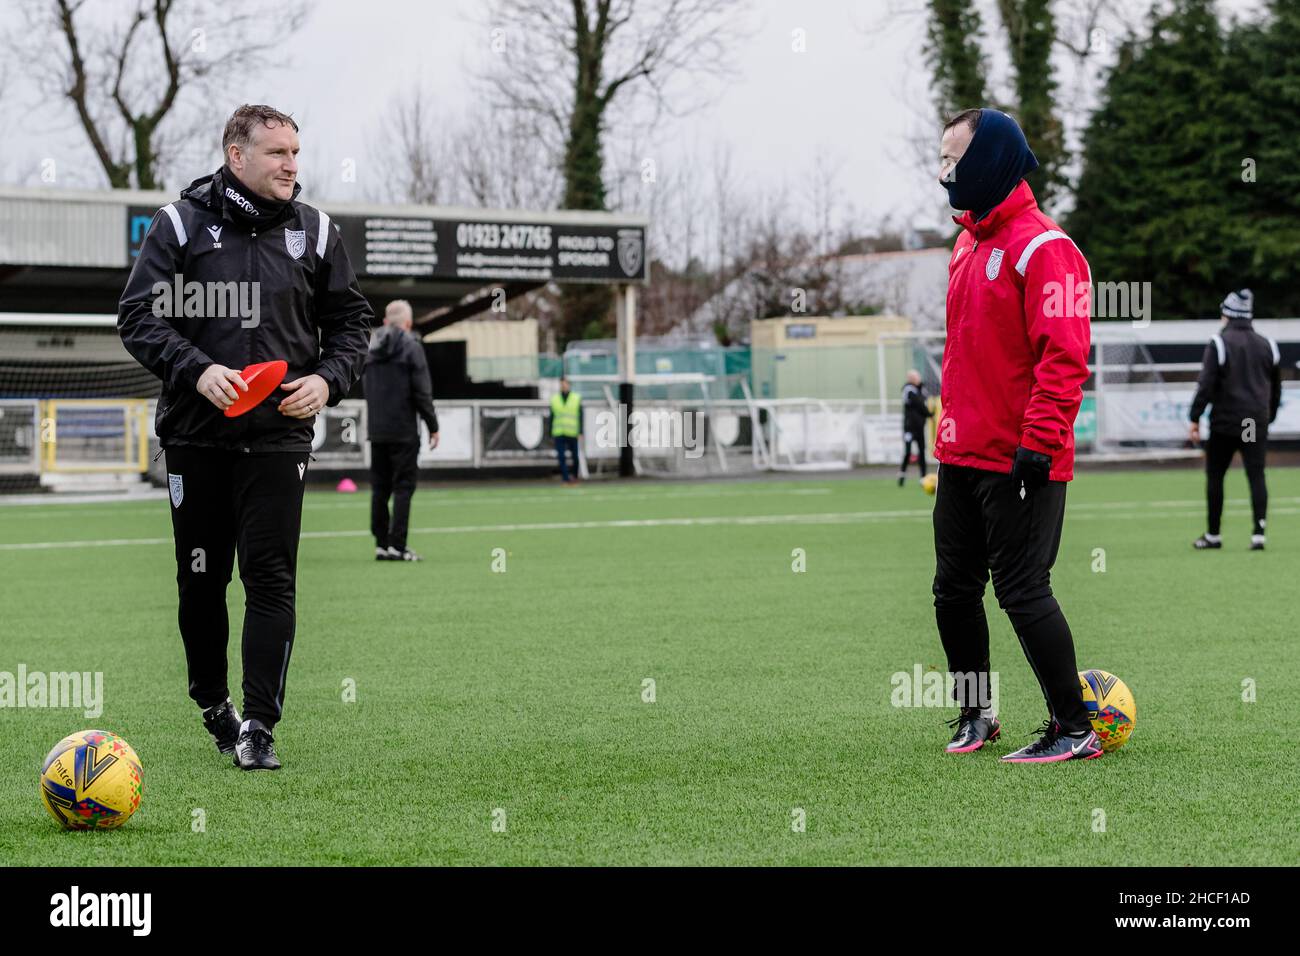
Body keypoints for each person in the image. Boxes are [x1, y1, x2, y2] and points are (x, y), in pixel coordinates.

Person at [117, 104, 372, 771]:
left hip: (279, 442)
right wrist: (198, 372)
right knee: (201, 583)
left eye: (297, 152)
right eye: (278, 153)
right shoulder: (179, 225)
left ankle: (259, 724)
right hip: (197, 439)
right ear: (237, 156)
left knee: (271, 578)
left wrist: (327, 381)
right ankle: (212, 703)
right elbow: (138, 316)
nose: (293, 165)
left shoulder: (315, 233)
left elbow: (351, 326)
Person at [931, 108, 1102, 763]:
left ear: (992, 161)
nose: (944, 172)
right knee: (952, 589)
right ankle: (977, 714)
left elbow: (1064, 356)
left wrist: (1039, 443)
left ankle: (1074, 726)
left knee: (1023, 590)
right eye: (942, 159)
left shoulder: (1046, 248)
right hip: (960, 453)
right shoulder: (967, 243)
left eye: (954, 159)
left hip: (1022, 460)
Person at [1189, 290, 1282, 551]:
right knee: (1256, 473)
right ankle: (1258, 533)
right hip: (1253, 423)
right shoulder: (1267, 344)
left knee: (1216, 474)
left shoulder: (1218, 343)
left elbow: (1205, 385)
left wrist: (1194, 417)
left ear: (1228, 314)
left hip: (1226, 422)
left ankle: (1214, 535)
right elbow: (1276, 387)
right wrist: (1269, 415)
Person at [364, 300, 440, 562]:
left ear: (386, 322)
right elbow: (422, 391)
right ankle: (398, 545)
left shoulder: (371, 347)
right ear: (408, 324)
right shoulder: (412, 347)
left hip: (377, 430)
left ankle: (381, 544)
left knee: (379, 489)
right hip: (405, 431)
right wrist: (433, 426)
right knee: (403, 488)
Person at [899, 369, 933, 487]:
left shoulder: (922, 390)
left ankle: (923, 478)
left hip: (919, 427)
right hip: (909, 427)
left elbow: (924, 400)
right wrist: (930, 414)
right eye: (916, 377)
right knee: (908, 452)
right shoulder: (908, 390)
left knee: (921, 452)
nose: (918, 379)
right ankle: (902, 474)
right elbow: (918, 403)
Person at [551, 377, 583, 484]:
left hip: (572, 432)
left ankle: (575, 477)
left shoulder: (576, 398)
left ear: (569, 385)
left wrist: (580, 431)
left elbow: (580, 416)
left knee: (575, 456)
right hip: (559, 432)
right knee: (561, 457)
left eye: (565, 384)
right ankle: (565, 478)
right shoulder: (555, 399)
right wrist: (550, 431)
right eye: (562, 384)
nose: (563, 386)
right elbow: (552, 416)